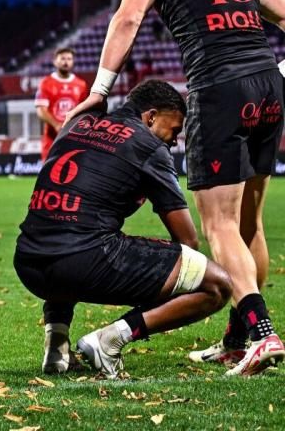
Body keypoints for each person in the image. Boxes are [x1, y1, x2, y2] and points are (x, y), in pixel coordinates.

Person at [68, 0, 285, 376]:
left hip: (220, 89)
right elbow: (283, 13)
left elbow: (127, 18)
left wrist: (100, 89)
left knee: (221, 227)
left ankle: (263, 334)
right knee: (249, 223)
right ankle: (237, 338)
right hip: (269, 86)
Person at [16, 80, 232, 378]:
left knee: (69, 229)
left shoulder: (78, 123)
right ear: (151, 116)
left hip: (29, 261)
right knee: (217, 283)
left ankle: (57, 346)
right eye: (174, 130)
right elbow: (187, 240)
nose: (174, 140)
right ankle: (111, 339)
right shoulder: (149, 146)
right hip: (80, 261)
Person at [34, 47, 88, 161]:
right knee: (47, 174)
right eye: (62, 58)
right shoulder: (46, 83)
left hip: (73, 137)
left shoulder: (81, 84)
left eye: (69, 59)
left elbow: (84, 110)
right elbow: (41, 110)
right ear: (55, 61)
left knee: (72, 173)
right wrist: (56, 125)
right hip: (51, 138)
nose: (66, 62)